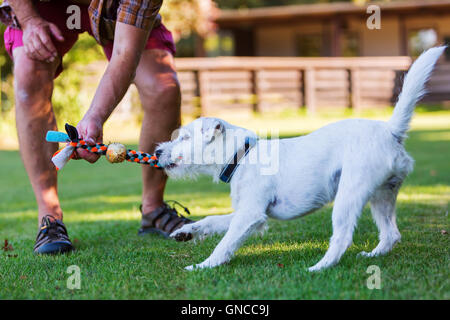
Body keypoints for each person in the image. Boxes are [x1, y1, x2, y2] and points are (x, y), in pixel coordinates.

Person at [1, 0, 193, 254]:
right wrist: (29, 21)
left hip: (114, 10)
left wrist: (94, 118)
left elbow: (126, 52)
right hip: (40, 5)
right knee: (28, 76)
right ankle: (49, 216)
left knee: (163, 88)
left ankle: (153, 210)